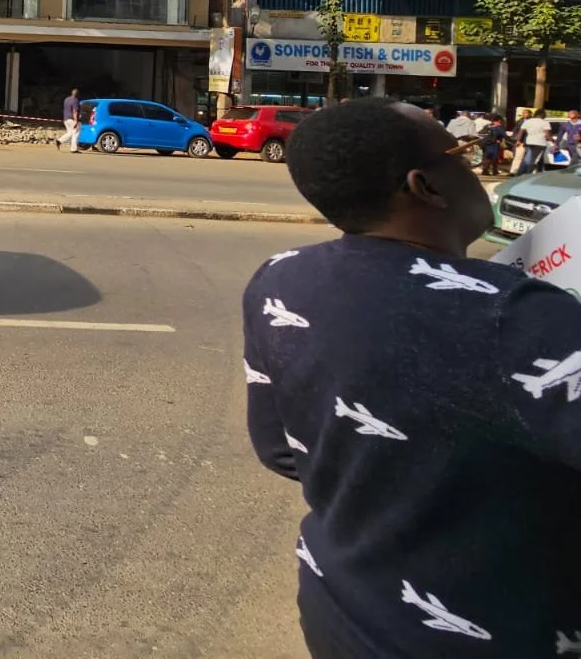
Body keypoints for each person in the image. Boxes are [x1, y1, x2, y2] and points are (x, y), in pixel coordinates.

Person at [243, 97, 581, 657]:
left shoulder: (279, 279)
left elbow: (280, 450)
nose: (475, 169)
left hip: (341, 615)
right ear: (425, 186)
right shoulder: (519, 316)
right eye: (463, 153)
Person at [516, 108, 552, 174]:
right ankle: (526, 174)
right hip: (540, 144)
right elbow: (547, 135)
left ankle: (540, 173)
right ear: (543, 115)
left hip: (529, 142)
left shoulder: (528, 121)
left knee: (530, 159)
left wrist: (518, 141)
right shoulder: (545, 123)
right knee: (534, 160)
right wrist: (552, 141)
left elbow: (520, 132)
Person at [477, 111, 508, 177]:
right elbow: (504, 135)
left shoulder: (488, 126)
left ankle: (485, 170)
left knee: (486, 157)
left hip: (484, 143)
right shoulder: (498, 127)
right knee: (494, 157)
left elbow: (480, 133)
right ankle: (494, 171)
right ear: (499, 120)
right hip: (493, 144)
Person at [57, 88, 81, 153]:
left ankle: (59, 141)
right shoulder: (75, 100)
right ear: (77, 94)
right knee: (75, 133)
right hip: (72, 119)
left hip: (65, 119)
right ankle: (74, 149)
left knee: (70, 133)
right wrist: (76, 121)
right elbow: (75, 111)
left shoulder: (66, 99)